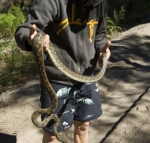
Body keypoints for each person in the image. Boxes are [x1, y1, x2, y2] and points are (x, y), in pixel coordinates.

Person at [15, 0, 111, 143]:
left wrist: (102, 50)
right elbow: (24, 30)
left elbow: (100, 34)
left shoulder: (99, 3)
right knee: (52, 133)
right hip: (57, 80)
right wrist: (31, 39)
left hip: (86, 77)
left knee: (83, 125)